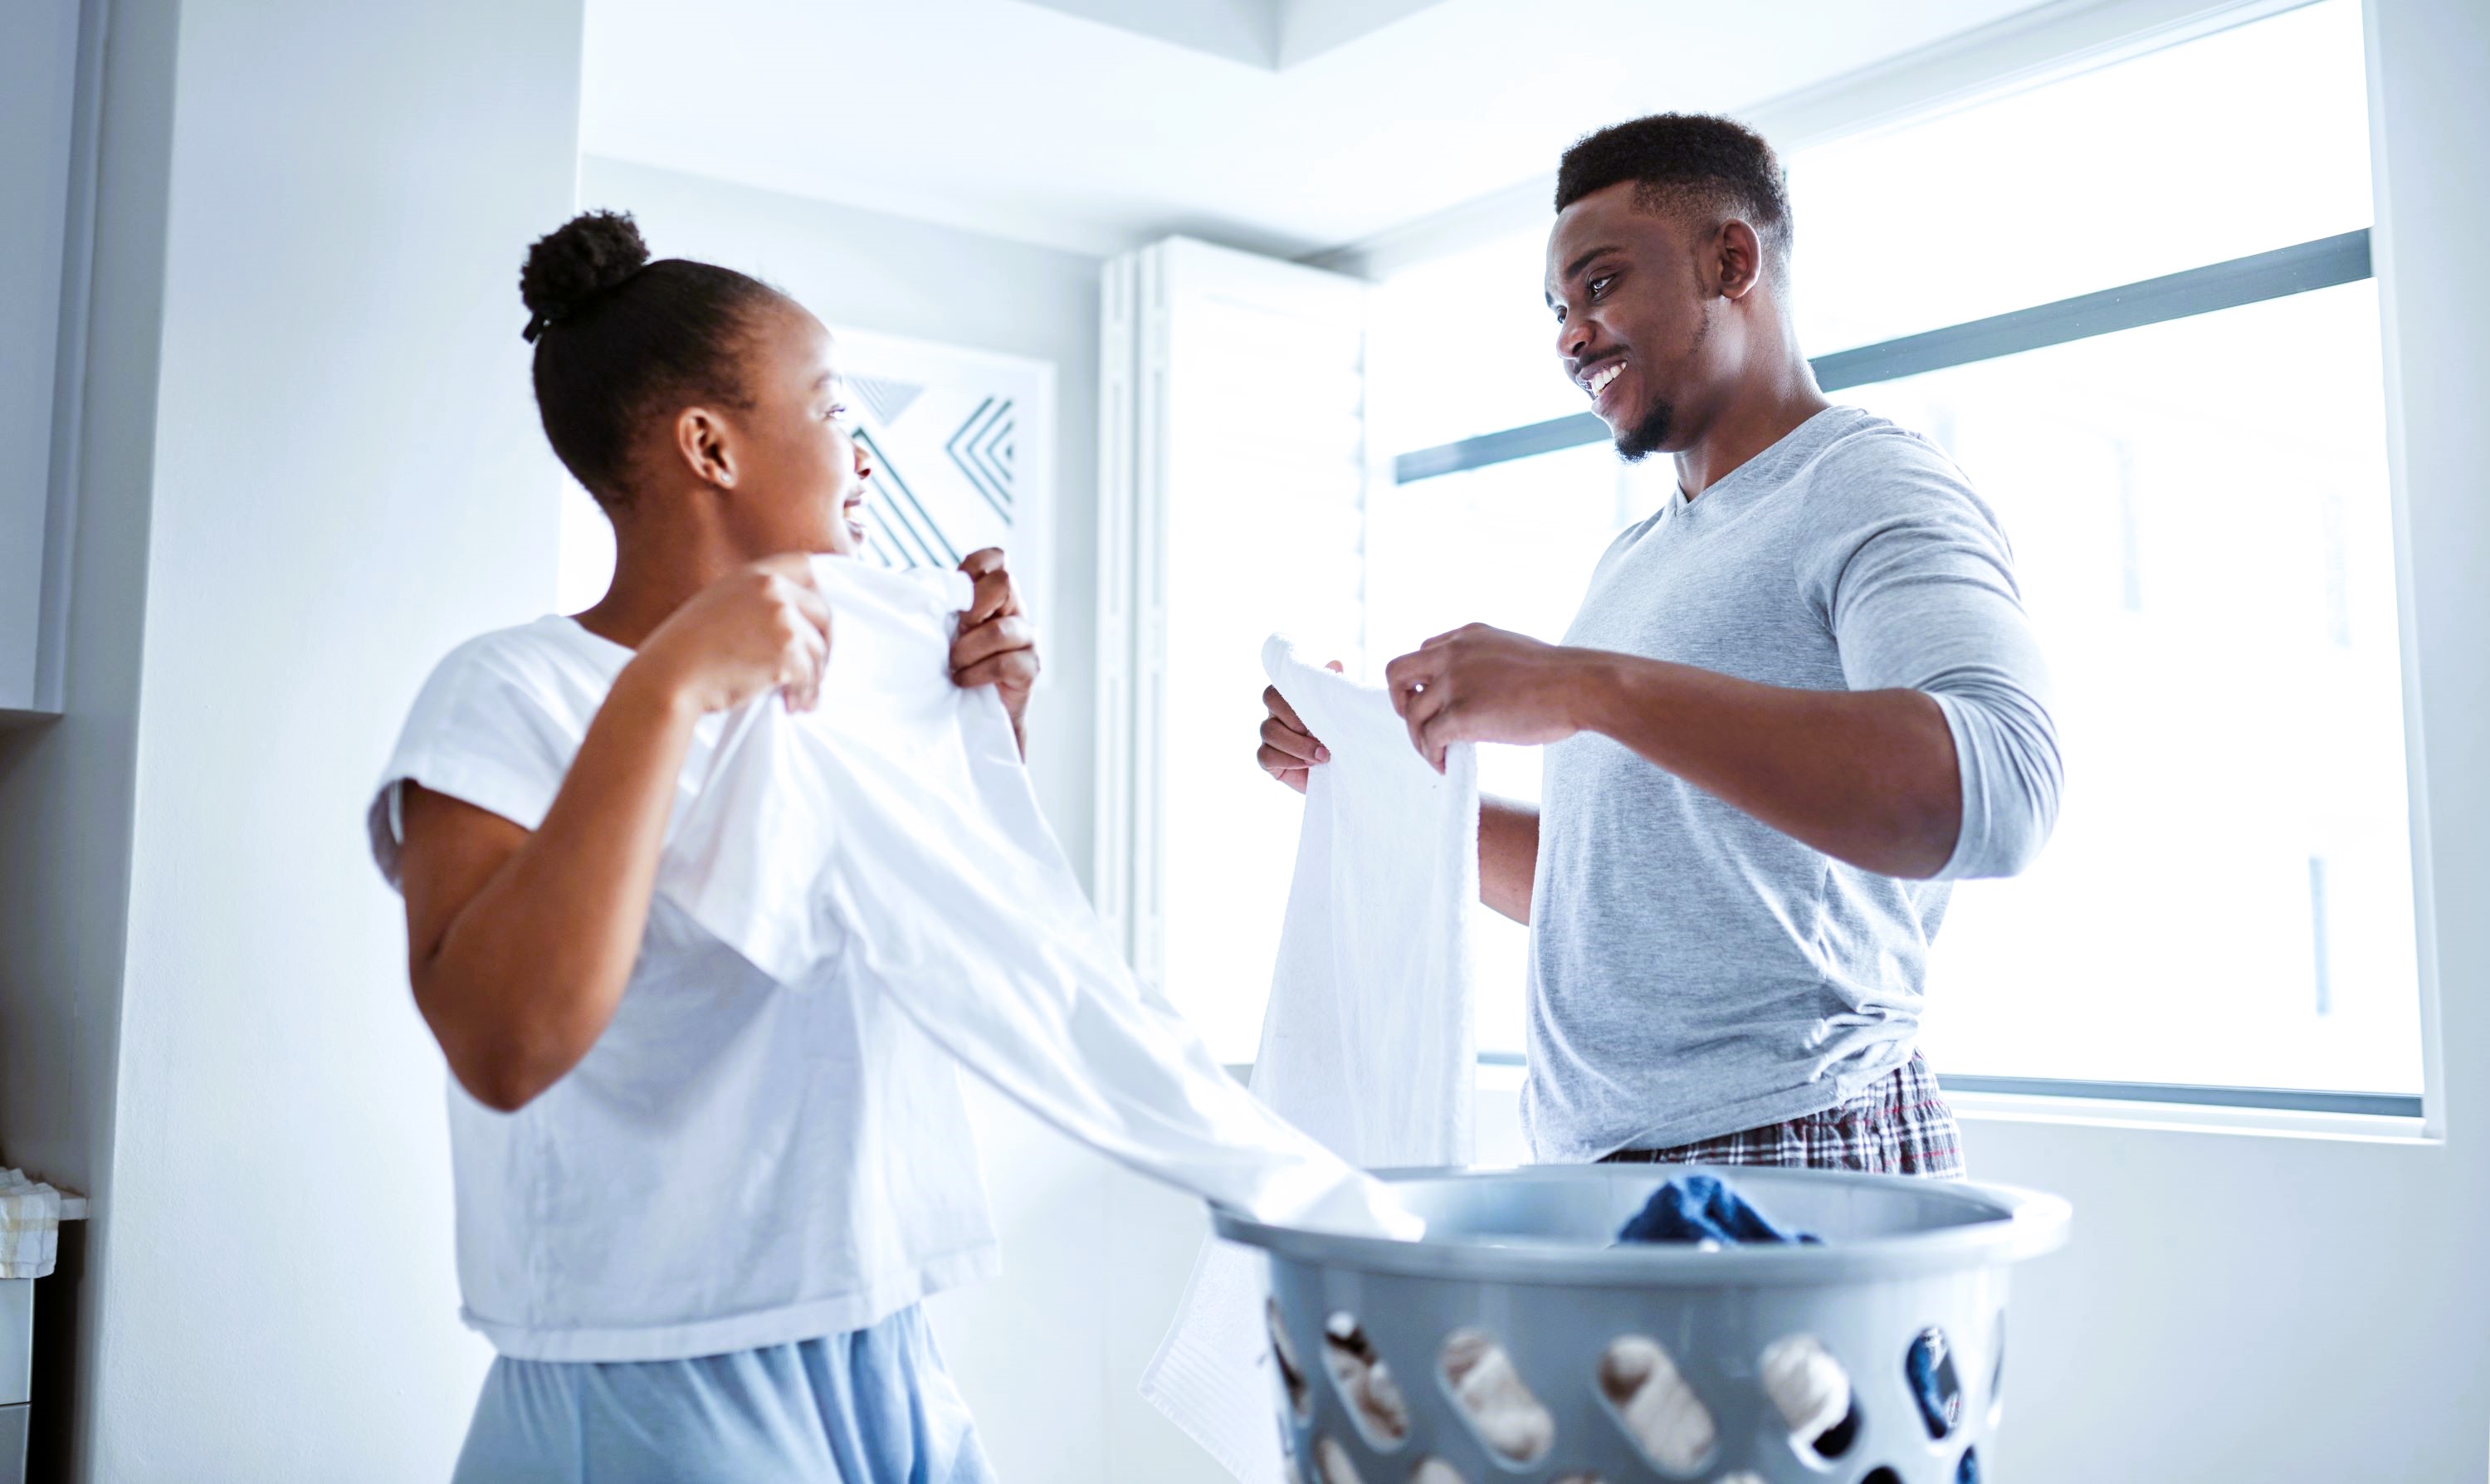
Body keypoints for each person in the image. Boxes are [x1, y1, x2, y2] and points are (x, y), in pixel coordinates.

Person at [1258, 114, 2063, 1178]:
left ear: (1731, 260)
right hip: (1609, 1166)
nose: (1569, 335)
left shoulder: (1872, 484)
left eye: (1598, 286)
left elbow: (2000, 791)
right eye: (1556, 311)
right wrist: (1372, 786)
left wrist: (1587, 686)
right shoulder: (1632, 565)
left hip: (1796, 1146)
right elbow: (1610, 883)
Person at [367, 210, 1036, 1482]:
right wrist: (668, 689)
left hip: (884, 1339)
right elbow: (504, 1046)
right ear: (709, 444)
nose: (862, 459)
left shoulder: (840, 697)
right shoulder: (509, 695)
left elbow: (955, 971)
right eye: (837, 411)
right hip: (649, 1380)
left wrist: (993, 733)